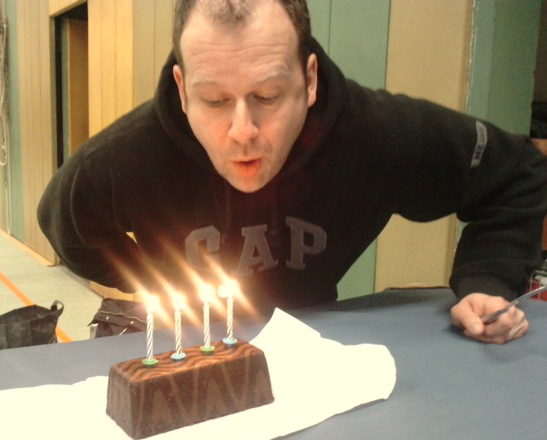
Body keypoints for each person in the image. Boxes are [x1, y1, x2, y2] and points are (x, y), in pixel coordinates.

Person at [38, 0, 547, 344]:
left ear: (309, 80)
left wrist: (486, 279)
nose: (242, 131)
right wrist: (164, 277)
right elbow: (65, 226)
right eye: (214, 100)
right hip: (188, 345)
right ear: (182, 88)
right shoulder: (126, 158)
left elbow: (518, 173)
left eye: (267, 96)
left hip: (313, 345)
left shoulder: (376, 134)